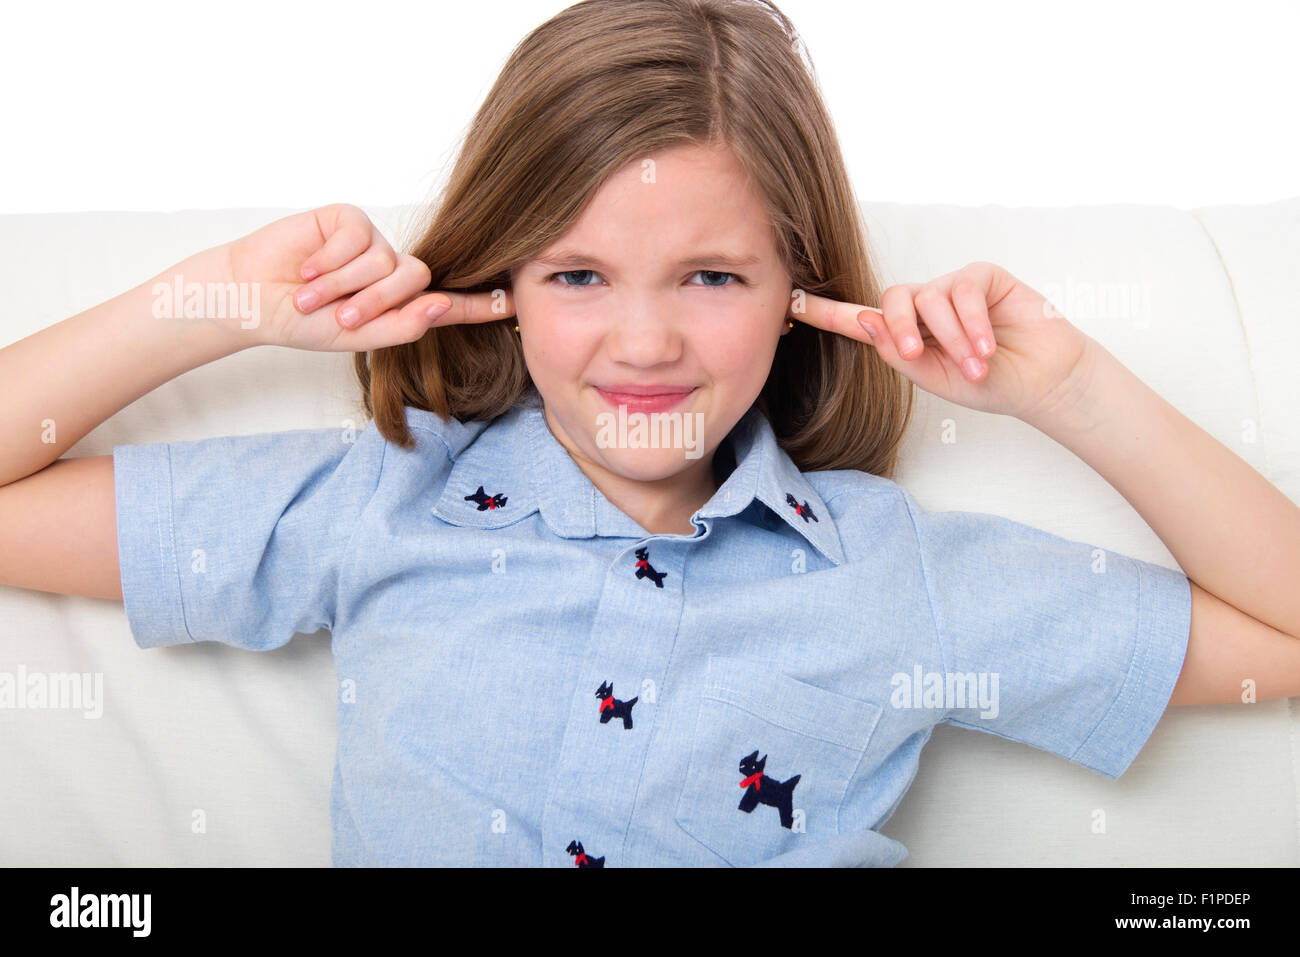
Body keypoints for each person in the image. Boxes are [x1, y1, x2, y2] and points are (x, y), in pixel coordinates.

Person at [3, 0, 1298, 867]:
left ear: (798, 292)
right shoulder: (382, 500)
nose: (643, 343)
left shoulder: (889, 575)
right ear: (501, 283)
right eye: (578, 276)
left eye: (711, 277)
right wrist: (224, 299)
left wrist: (1068, 390)